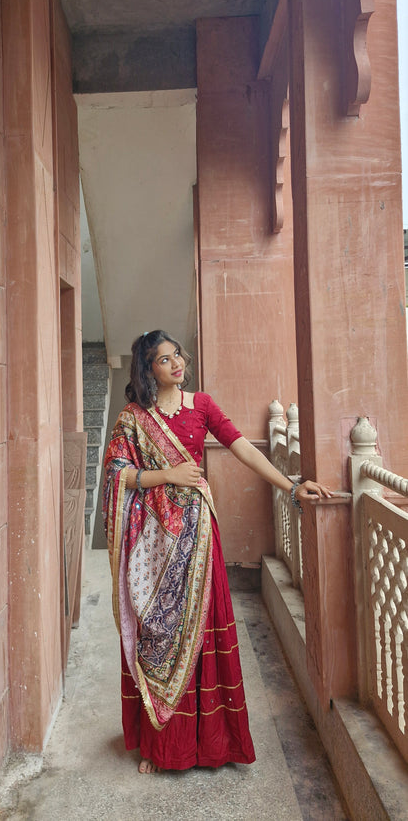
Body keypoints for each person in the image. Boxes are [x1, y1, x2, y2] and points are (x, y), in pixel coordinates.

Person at [103, 330, 331, 774]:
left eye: (178, 356)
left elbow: (242, 447)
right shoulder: (134, 417)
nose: (176, 364)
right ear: (148, 369)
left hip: (199, 538)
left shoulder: (201, 406)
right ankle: (158, 742)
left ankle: (206, 745)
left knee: (200, 635)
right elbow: (116, 476)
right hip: (154, 543)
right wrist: (166, 474)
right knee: (157, 634)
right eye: (165, 360)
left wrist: (292, 487)